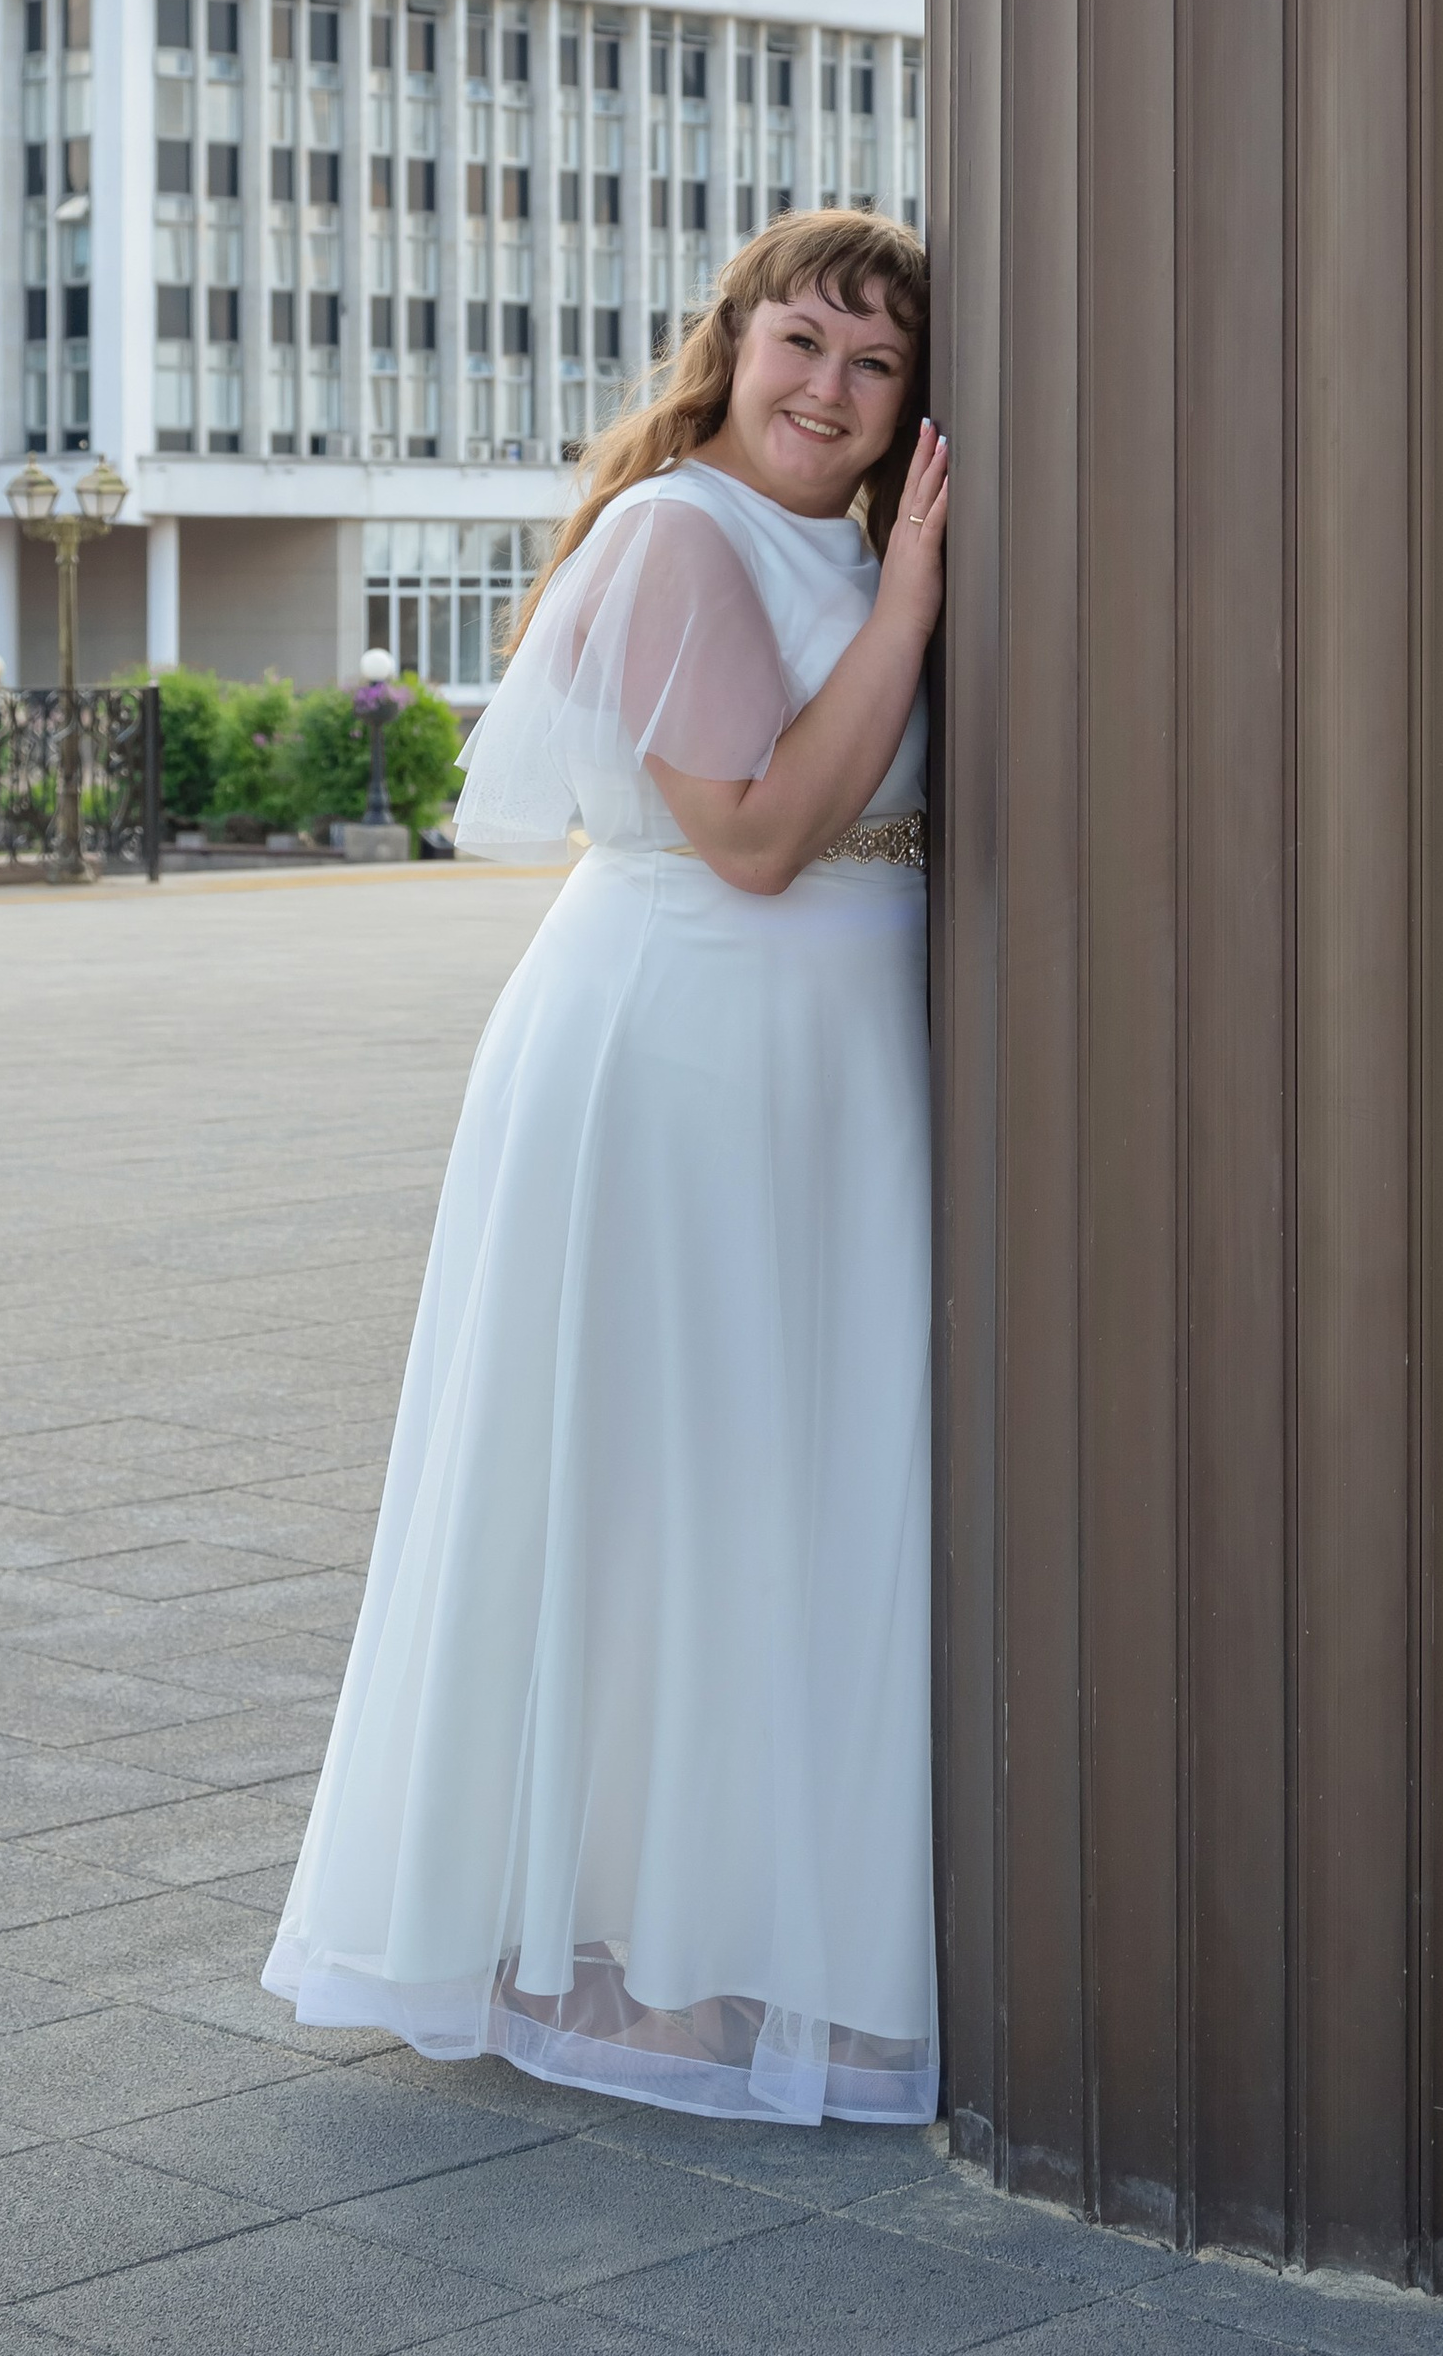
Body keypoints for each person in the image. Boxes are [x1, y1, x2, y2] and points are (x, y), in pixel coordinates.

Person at [264, 212, 947, 2130]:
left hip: (819, 1060)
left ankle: (732, 1922)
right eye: (801, 341)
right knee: (667, 1496)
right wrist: (909, 607)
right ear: (731, 341)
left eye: (873, 365)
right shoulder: (681, 533)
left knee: (792, 1488)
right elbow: (755, 833)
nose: (827, 388)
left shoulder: (838, 535)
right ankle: (634, 1957)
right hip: (681, 1047)